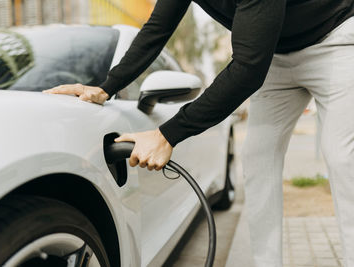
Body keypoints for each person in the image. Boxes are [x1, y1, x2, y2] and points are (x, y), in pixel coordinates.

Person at [43, 0, 354, 266]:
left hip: (335, 40)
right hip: (275, 55)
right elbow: (156, 31)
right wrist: (105, 87)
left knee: (341, 156)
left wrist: (167, 135)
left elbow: (247, 69)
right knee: (257, 156)